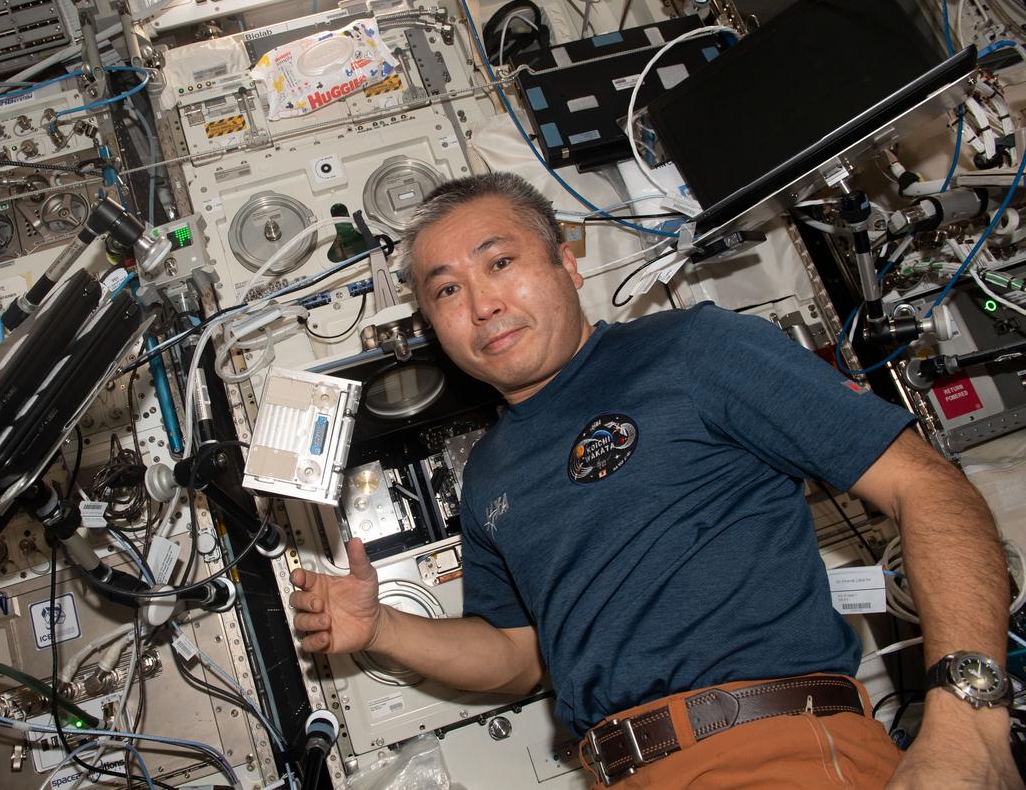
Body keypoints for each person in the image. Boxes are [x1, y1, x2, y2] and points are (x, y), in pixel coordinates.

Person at [287, 172, 1019, 788]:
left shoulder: (695, 349)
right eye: (446, 291)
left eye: (500, 263)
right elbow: (517, 657)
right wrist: (382, 628)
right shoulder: (487, 477)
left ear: (567, 263)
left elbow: (927, 487)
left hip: (769, 752)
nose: (482, 306)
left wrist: (968, 719)